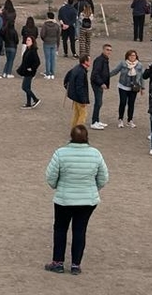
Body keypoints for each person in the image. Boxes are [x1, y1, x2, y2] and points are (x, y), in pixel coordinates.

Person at [43, 124, 109, 276]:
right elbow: (103, 178)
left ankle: (58, 262)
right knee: (80, 230)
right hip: (87, 201)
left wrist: (56, 186)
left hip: (64, 199)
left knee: (60, 229)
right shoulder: (95, 154)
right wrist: (92, 189)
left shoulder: (60, 153)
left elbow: (50, 176)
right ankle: (75, 265)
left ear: (71, 137)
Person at [111, 49, 144, 128]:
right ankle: (120, 119)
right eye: (131, 55)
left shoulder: (139, 65)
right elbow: (115, 71)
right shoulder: (123, 63)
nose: (133, 57)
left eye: (134, 55)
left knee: (131, 104)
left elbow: (141, 77)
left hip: (134, 87)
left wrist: (143, 88)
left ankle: (130, 120)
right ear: (127, 56)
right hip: (123, 86)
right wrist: (106, 76)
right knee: (122, 102)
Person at [63, 55, 91, 128]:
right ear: (85, 61)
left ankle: (74, 130)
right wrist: (83, 100)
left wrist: (69, 89)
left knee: (76, 114)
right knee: (82, 115)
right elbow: (80, 88)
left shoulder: (76, 68)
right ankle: (78, 132)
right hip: (79, 98)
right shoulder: (81, 72)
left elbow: (67, 78)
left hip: (74, 96)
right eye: (89, 60)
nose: (90, 62)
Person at [90, 44, 112, 129]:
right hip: (97, 84)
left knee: (99, 102)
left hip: (100, 83)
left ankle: (97, 120)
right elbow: (95, 74)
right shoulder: (99, 60)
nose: (109, 51)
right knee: (98, 102)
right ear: (103, 50)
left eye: (110, 50)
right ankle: (94, 122)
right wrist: (101, 83)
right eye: (107, 49)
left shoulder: (105, 60)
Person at [16, 36, 42, 109]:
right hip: (26, 71)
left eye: (29, 40)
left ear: (32, 42)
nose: (27, 41)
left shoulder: (33, 51)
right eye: (27, 40)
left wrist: (32, 68)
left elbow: (37, 62)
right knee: (27, 87)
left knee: (24, 87)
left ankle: (35, 99)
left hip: (29, 72)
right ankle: (28, 103)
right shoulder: (28, 50)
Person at [40, 11, 61, 79]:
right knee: (53, 59)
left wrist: (45, 39)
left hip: (47, 43)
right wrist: (57, 44)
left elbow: (42, 34)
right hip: (54, 43)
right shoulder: (56, 25)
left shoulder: (45, 25)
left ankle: (48, 73)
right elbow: (58, 36)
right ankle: (52, 73)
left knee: (47, 59)